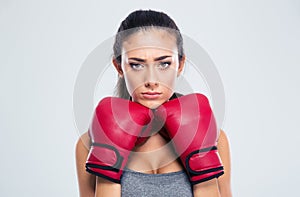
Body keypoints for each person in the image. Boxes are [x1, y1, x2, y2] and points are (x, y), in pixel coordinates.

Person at [75, 9, 232, 197]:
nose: (151, 80)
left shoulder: (214, 138)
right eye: (137, 64)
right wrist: (107, 172)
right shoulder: (88, 145)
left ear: (180, 65)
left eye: (163, 64)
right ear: (119, 67)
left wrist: (203, 175)